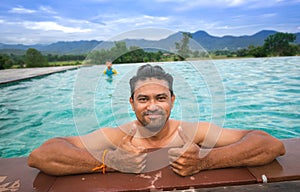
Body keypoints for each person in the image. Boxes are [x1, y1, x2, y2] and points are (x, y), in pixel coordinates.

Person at [28, 64, 285, 176]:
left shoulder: (194, 132)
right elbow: (42, 155)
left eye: (161, 98)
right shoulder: (119, 136)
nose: (152, 107)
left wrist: (206, 162)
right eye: (143, 99)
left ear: (172, 100)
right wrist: (111, 161)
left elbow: (270, 144)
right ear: (131, 103)